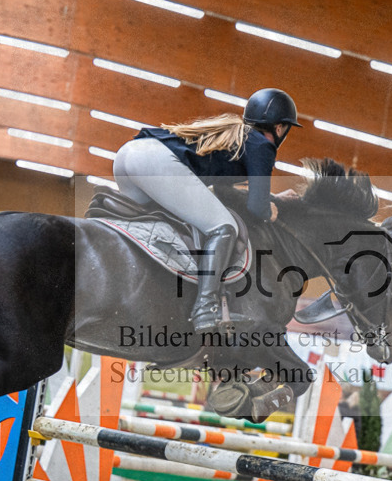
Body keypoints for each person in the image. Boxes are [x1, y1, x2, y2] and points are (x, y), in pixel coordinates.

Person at [112, 88, 301, 333]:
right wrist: (271, 209)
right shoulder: (262, 145)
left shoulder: (237, 135)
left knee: (163, 225)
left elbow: (224, 192)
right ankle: (205, 306)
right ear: (280, 128)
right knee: (224, 228)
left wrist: (271, 198)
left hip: (127, 156)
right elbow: (256, 207)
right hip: (154, 163)